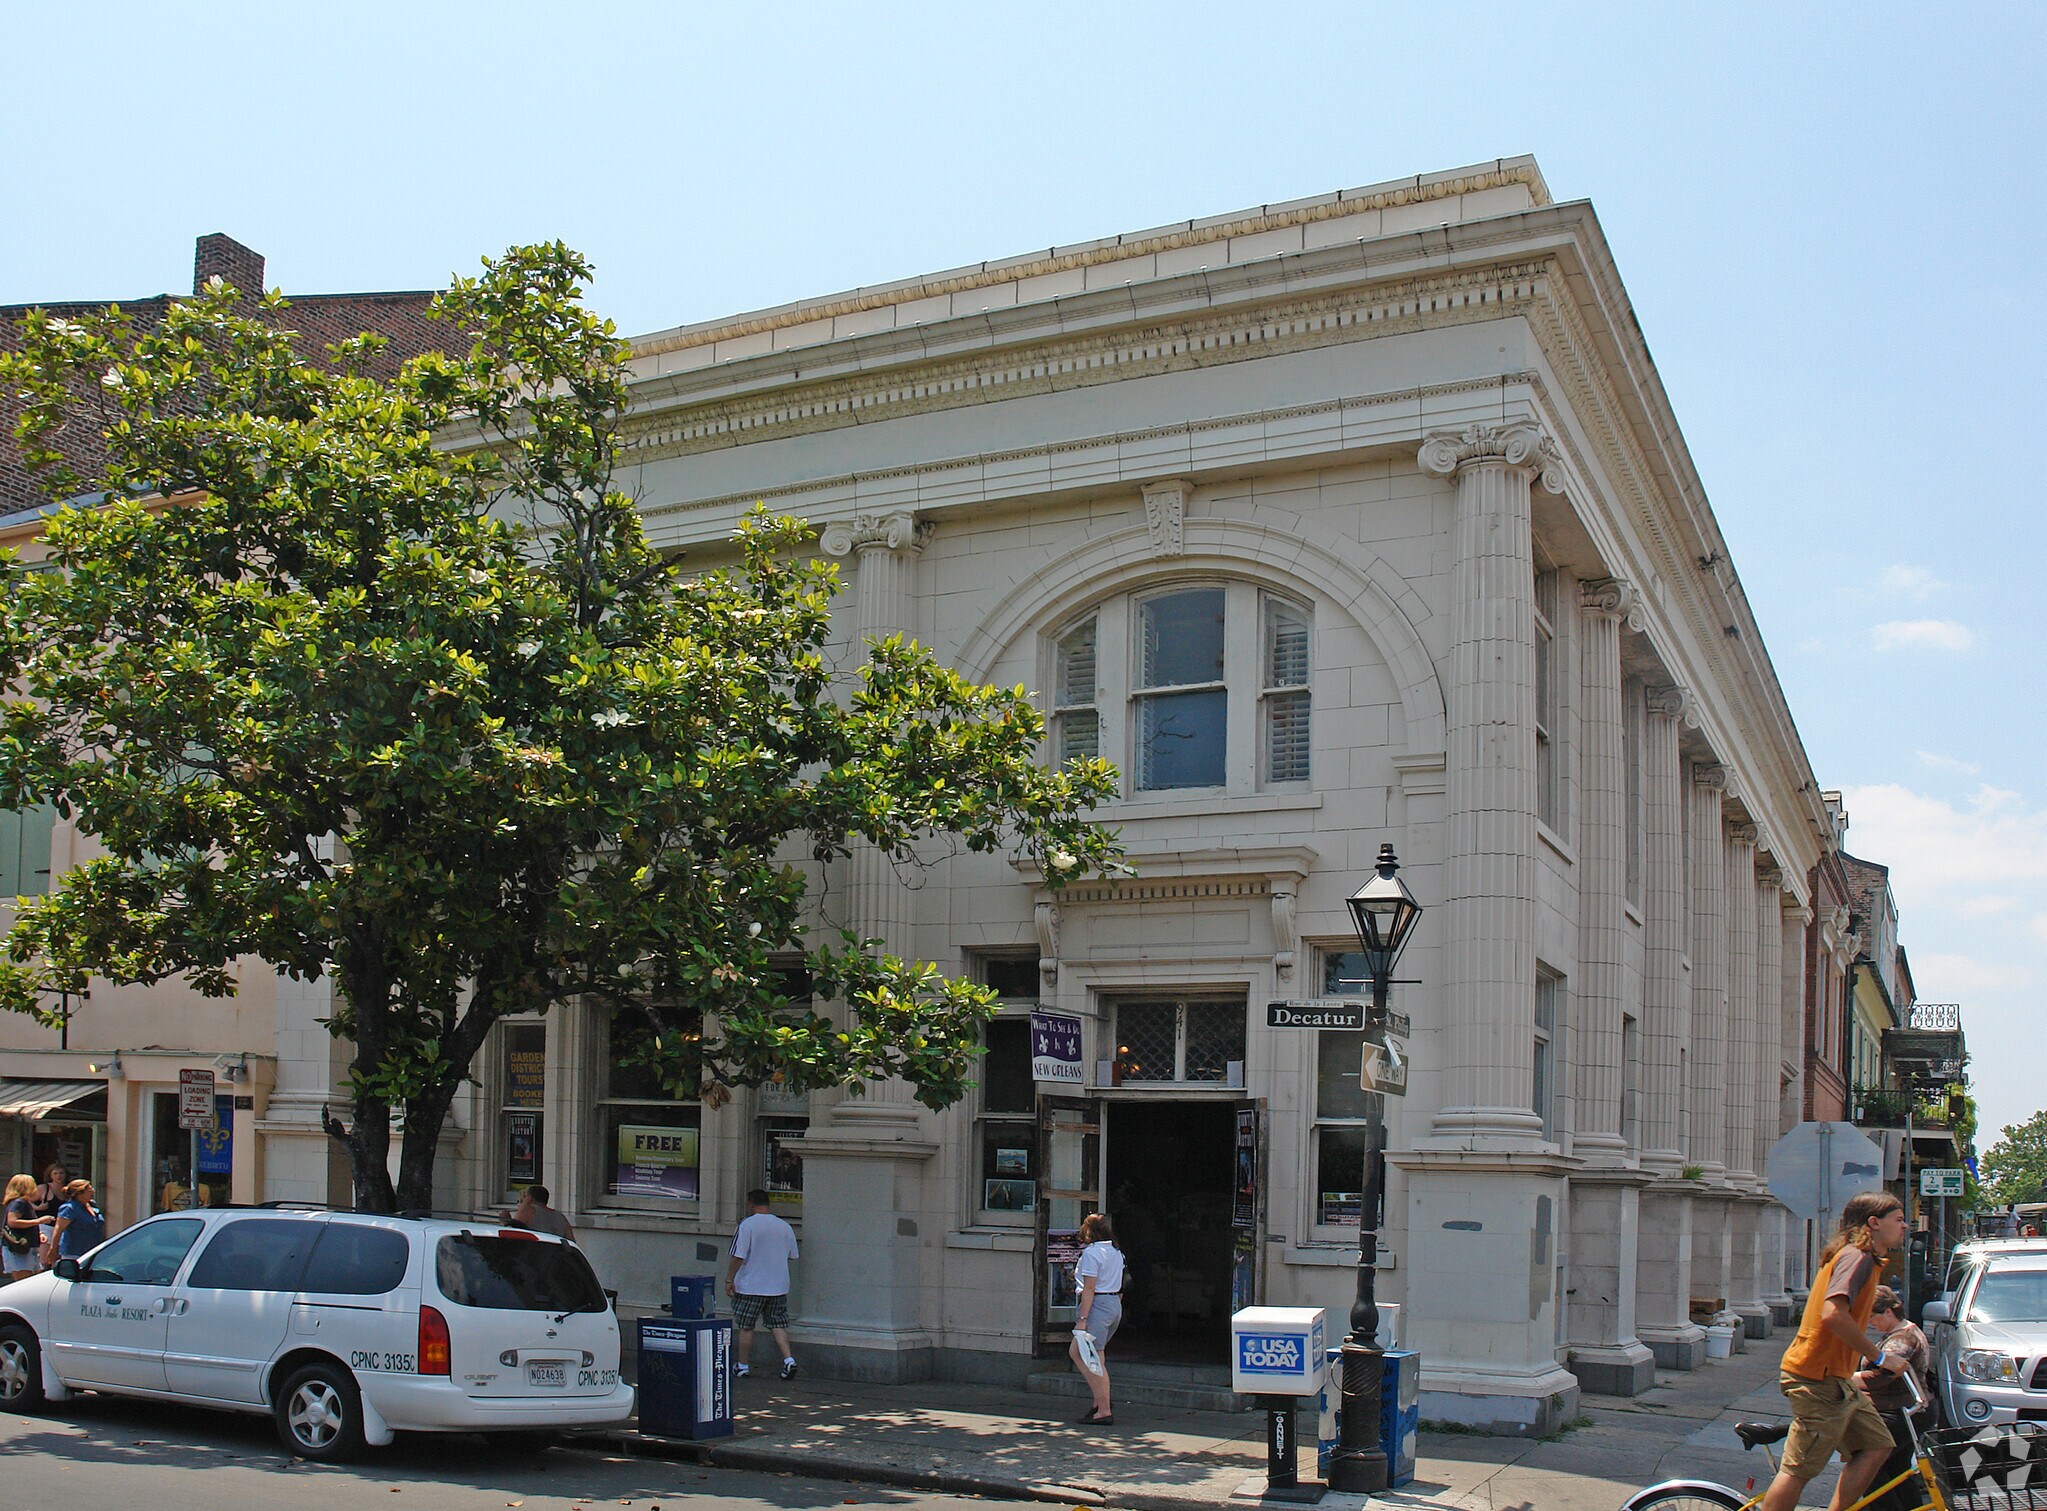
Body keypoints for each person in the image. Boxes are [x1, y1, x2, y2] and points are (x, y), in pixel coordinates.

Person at [1757, 1191, 1912, 1511]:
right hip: (1816, 1379)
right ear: (1873, 1223)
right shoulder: (1857, 1257)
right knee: (1799, 1470)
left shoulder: (1865, 1259)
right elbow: (1833, 1314)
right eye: (1898, 1219)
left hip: (1836, 1380)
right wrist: (1881, 1356)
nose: (1906, 1226)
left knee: (1877, 1446)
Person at [1856, 1285, 1934, 1511]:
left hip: (1903, 1411)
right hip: (1912, 1410)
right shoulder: (1902, 1332)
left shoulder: (1901, 1339)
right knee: (1896, 1469)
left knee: (1868, 1468)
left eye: (1872, 1317)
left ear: (1888, 1312)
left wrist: (1849, 1379)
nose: (1871, 1323)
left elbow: (1885, 1375)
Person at [725, 1188, 799, 1380]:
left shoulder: (747, 1225)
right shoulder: (784, 1226)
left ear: (751, 1204)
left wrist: (729, 1279)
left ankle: (742, 1365)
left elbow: (738, 1255)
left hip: (751, 1284)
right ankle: (789, 1360)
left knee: (746, 1325)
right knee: (777, 1324)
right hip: (778, 1285)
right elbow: (792, 1255)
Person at [1069, 1211, 1123, 1427]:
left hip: (1097, 1306)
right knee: (1094, 1355)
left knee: (1086, 1356)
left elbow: (1089, 1288)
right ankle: (1099, 1401)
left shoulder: (1092, 1254)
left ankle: (1104, 1408)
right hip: (1113, 1304)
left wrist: (1083, 1318)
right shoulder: (1116, 1252)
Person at [2, 1174, 51, 1281]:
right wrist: (39, 1221)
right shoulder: (19, 1203)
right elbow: (12, 1221)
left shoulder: (24, 1203)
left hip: (28, 1247)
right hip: (18, 1249)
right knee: (23, 1281)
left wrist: (39, 1234)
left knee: (32, 1278)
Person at [52, 1178, 106, 1260]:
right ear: (79, 1193)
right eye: (89, 1190)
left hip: (93, 1251)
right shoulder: (69, 1208)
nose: (93, 1192)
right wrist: (53, 1250)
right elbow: (58, 1229)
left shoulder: (92, 1205)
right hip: (74, 1253)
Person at [505, 1184, 575, 1242]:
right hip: (555, 1255)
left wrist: (505, 1220)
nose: (523, 1200)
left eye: (525, 1196)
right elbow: (571, 1242)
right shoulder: (560, 1216)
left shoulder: (527, 1210)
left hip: (534, 1253)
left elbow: (512, 1235)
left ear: (530, 1198)